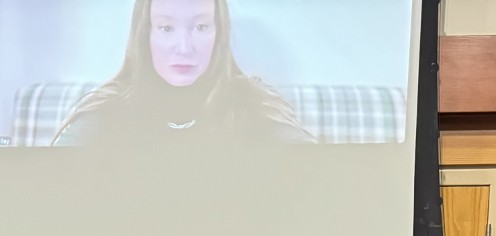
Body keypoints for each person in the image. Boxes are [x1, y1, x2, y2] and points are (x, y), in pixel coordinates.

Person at [53, 0, 310, 148]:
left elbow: (313, 176)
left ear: (219, 33)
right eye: (166, 28)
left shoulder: (254, 108)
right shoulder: (104, 116)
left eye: (201, 27)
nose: (185, 47)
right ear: (145, 35)